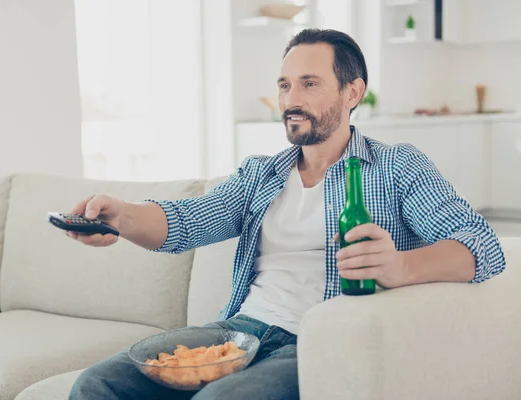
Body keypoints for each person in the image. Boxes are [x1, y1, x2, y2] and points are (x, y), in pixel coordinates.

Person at [67, 29, 505, 400]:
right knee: (97, 385)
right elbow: (186, 221)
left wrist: (401, 266)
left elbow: (482, 245)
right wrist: (120, 216)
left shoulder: (397, 167)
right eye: (284, 85)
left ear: (352, 92)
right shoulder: (260, 173)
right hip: (239, 331)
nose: (290, 99)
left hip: (320, 338)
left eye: (309, 84)